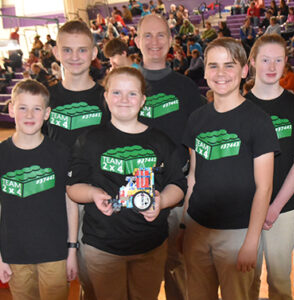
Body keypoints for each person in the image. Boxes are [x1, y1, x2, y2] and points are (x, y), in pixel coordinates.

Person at [66, 66, 186, 300]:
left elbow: (178, 185)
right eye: (117, 92)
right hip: (102, 248)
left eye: (132, 94)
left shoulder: (160, 141)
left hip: (150, 247)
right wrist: (93, 194)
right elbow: (73, 187)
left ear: (142, 100)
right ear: (106, 97)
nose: (124, 100)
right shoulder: (89, 140)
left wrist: (162, 201)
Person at [179, 37, 280, 300]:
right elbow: (193, 177)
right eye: (213, 66)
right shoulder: (197, 119)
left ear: (245, 70)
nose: (220, 73)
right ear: (205, 71)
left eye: (229, 65)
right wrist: (183, 226)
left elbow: (264, 187)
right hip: (197, 229)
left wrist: (251, 241)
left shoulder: (259, 120)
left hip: (238, 233)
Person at [135, 14, 203, 300]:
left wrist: (192, 184)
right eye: (147, 35)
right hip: (133, 193)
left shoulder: (185, 87)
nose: (154, 42)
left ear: (171, 40)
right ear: (136, 41)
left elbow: (199, 140)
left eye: (161, 34)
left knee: (177, 267)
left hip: (174, 193)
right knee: (139, 270)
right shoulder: (124, 85)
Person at [245, 34, 294, 300]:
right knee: (246, 279)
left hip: (283, 209)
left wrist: (275, 206)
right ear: (252, 63)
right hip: (246, 209)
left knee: (280, 282)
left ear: (286, 63)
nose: (272, 67)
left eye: (278, 60)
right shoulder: (241, 106)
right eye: (265, 60)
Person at [0, 79, 78, 299]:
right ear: (11, 109)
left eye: (37, 108)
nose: (29, 115)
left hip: (54, 253)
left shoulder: (61, 153)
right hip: (14, 253)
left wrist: (72, 250)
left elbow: (70, 202)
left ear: (47, 113)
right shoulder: (2, 154)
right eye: (22, 107)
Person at [49, 20, 110, 300]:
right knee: (54, 280)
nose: (75, 57)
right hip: (54, 201)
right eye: (67, 50)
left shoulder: (107, 98)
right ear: (56, 52)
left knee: (96, 279)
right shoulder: (46, 97)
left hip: (96, 197)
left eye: (82, 50)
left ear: (95, 52)